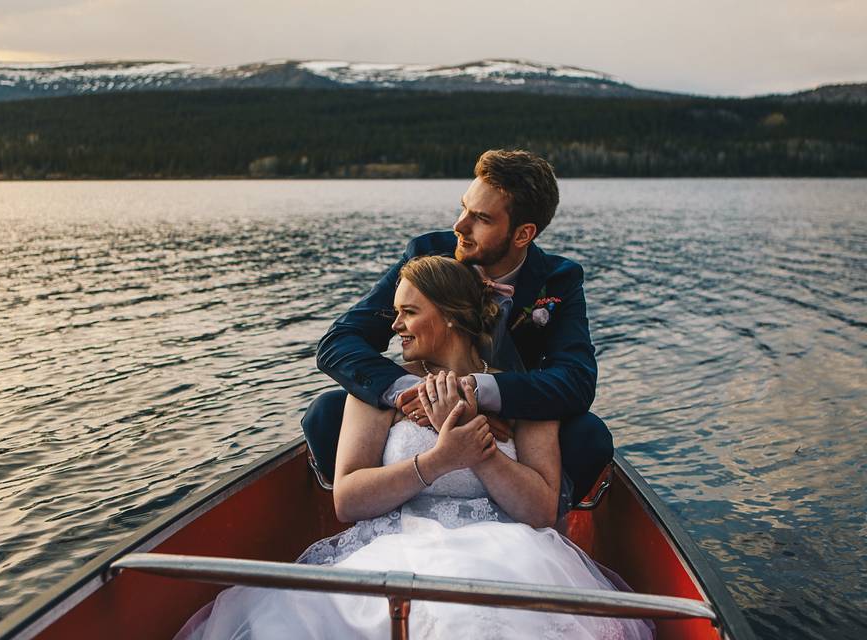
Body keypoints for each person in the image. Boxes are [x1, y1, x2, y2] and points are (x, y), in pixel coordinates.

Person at [174, 256, 652, 639]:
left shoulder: (523, 394)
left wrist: (478, 451)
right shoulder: (378, 391)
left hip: (506, 551)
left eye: (408, 312)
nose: (395, 326)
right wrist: (438, 460)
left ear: (448, 316)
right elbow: (348, 501)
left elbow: (541, 509)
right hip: (390, 543)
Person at [304, 149, 611, 512]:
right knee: (325, 413)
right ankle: (369, 510)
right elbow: (340, 342)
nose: (459, 226)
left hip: (512, 413)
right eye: (464, 207)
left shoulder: (559, 280)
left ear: (523, 234)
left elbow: (576, 380)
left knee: (589, 435)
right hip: (423, 398)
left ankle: (546, 521)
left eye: (480, 218)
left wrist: (475, 394)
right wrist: (420, 395)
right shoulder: (428, 256)